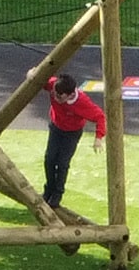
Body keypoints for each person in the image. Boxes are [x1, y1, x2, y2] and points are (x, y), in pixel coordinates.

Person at [41, 72, 107, 212]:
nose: (56, 98)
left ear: (70, 95)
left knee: (63, 163)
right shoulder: (54, 86)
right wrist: (31, 74)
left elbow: (100, 116)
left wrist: (98, 138)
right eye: (55, 94)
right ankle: (49, 189)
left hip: (71, 133)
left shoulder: (82, 102)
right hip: (56, 127)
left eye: (60, 96)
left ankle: (57, 194)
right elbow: (35, 76)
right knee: (49, 159)